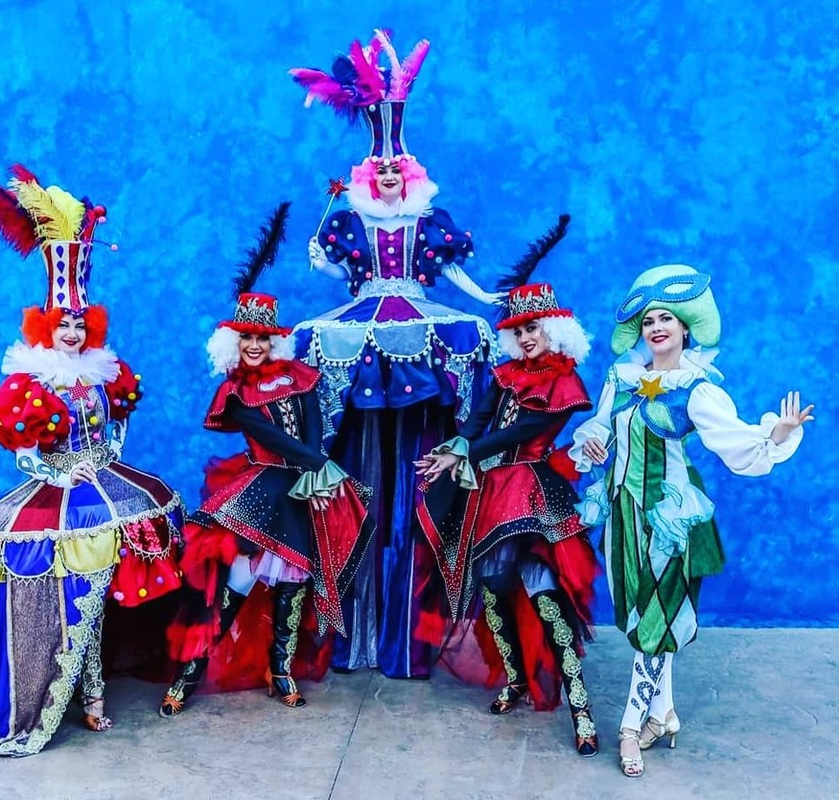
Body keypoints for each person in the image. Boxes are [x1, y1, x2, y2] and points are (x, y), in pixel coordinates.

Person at [0, 165, 183, 758]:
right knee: (72, 586)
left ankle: (96, 690)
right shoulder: (31, 380)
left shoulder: (103, 373)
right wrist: (57, 471)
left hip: (104, 478)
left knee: (104, 587)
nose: (71, 332)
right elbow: (23, 451)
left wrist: (107, 454)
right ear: (45, 327)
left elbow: (116, 424)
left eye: (78, 323)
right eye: (62, 324)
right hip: (60, 487)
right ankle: (68, 687)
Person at [290, 29, 501, 678]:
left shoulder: (428, 223)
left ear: (407, 175)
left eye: (395, 170)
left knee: (456, 359)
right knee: (325, 357)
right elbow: (333, 267)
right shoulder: (348, 220)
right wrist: (327, 238)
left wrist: (489, 301)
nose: (386, 176)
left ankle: (409, 627)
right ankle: (350, 624)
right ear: (366, 175)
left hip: (418, 310)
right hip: (362, 313)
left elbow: (458, 278)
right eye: (378, 170)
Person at [568, 263, 813, 777]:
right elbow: (601, 430)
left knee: (654, 623)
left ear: (685, 326)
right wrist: (593, 444)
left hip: (669, 517)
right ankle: (665, 715)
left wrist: (778, 433)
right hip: (622, 515)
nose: (657, 327)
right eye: (649, 320)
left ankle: (631, 728)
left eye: (667, 318)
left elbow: (736, 442)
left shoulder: (695, 389)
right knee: (639, 617)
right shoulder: (623, 378)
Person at [160, 204, 374, 716]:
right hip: (260, 490)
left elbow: (314, 430)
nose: (255, 346)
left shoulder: (301, 377)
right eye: (247, 338)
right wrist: (316, 467)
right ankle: (190, 673)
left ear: (274, 341)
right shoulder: (234, 393)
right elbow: (269, 436)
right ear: (234, 343)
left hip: (300, 491)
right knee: (236, 584)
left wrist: (317, 470)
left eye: (262, 338)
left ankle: (281, 670)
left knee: (294, 584)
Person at [414, 216, 600, 757]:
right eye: (517, 331)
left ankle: (580, 705)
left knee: (546, 596)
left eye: (532, 328)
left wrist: (468, 451)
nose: (525, 337)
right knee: (493, 589)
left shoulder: (565, 381)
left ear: (553, 329)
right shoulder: (504, 376)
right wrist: (455, 447)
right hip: (492, 493)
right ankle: (515, 678)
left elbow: (525, 430)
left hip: (535, 491)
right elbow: (479, 421)